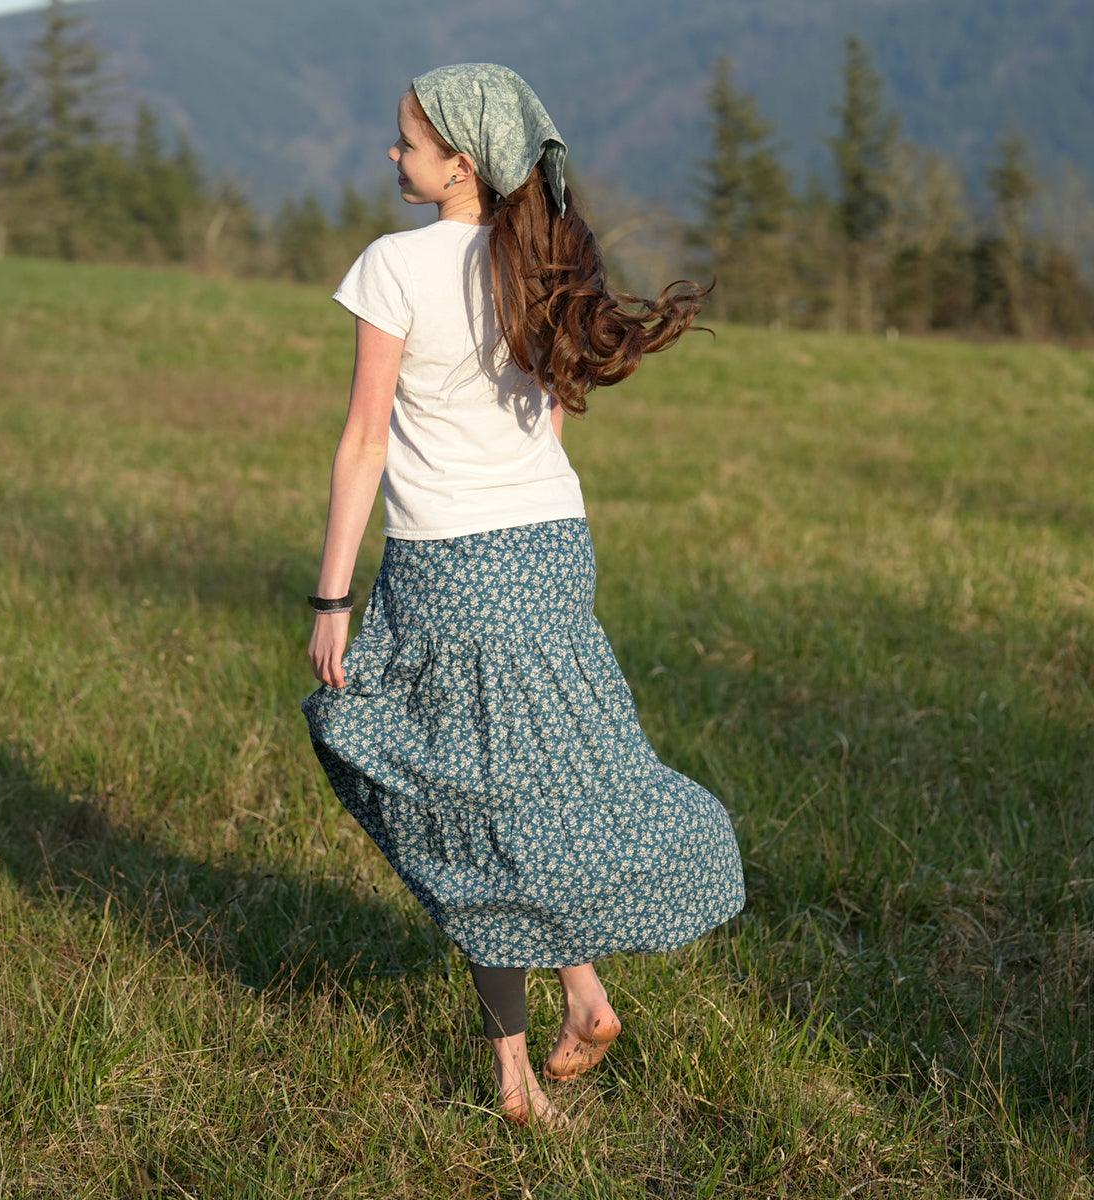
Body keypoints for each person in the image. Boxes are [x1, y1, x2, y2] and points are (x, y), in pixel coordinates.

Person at [303, 63, 744, 1127]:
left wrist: (331, 600)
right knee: (530, 791)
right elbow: (554, 414)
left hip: (452, 565)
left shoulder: (394, 266)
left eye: (406, 144)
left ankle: (512, 1085)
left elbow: (364, 439)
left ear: (461, 163)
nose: (392, 158)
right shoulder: (535, 257)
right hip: (549, 544)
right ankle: (584, 996)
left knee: (459, 809)